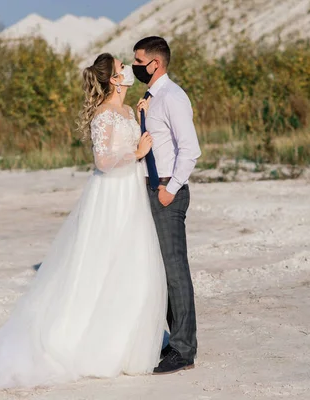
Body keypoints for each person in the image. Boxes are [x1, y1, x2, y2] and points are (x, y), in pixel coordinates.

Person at [0, 53, 167, 391]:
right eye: (123, 68)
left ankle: (127, 345)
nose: (128, 71)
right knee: (100, 264)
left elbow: (128, 142)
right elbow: (104, 161)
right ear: (113, 79)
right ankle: (90, 345)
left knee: (132, 264)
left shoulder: (125, 111)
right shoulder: (104, 115)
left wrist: (140, 118)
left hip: (131, 194)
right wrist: (136, 154)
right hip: (110, 194)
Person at [132, 36, 201, 375]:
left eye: (138, 61)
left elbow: (190, 150)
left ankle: (184, 350)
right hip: (150, 188)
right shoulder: (150, 99)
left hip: (167, 191)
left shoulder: (172, 97)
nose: (135, 67)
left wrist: (169, 190)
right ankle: (175, 340)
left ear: (154, 64)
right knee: (159, 271)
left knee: (175, 271)